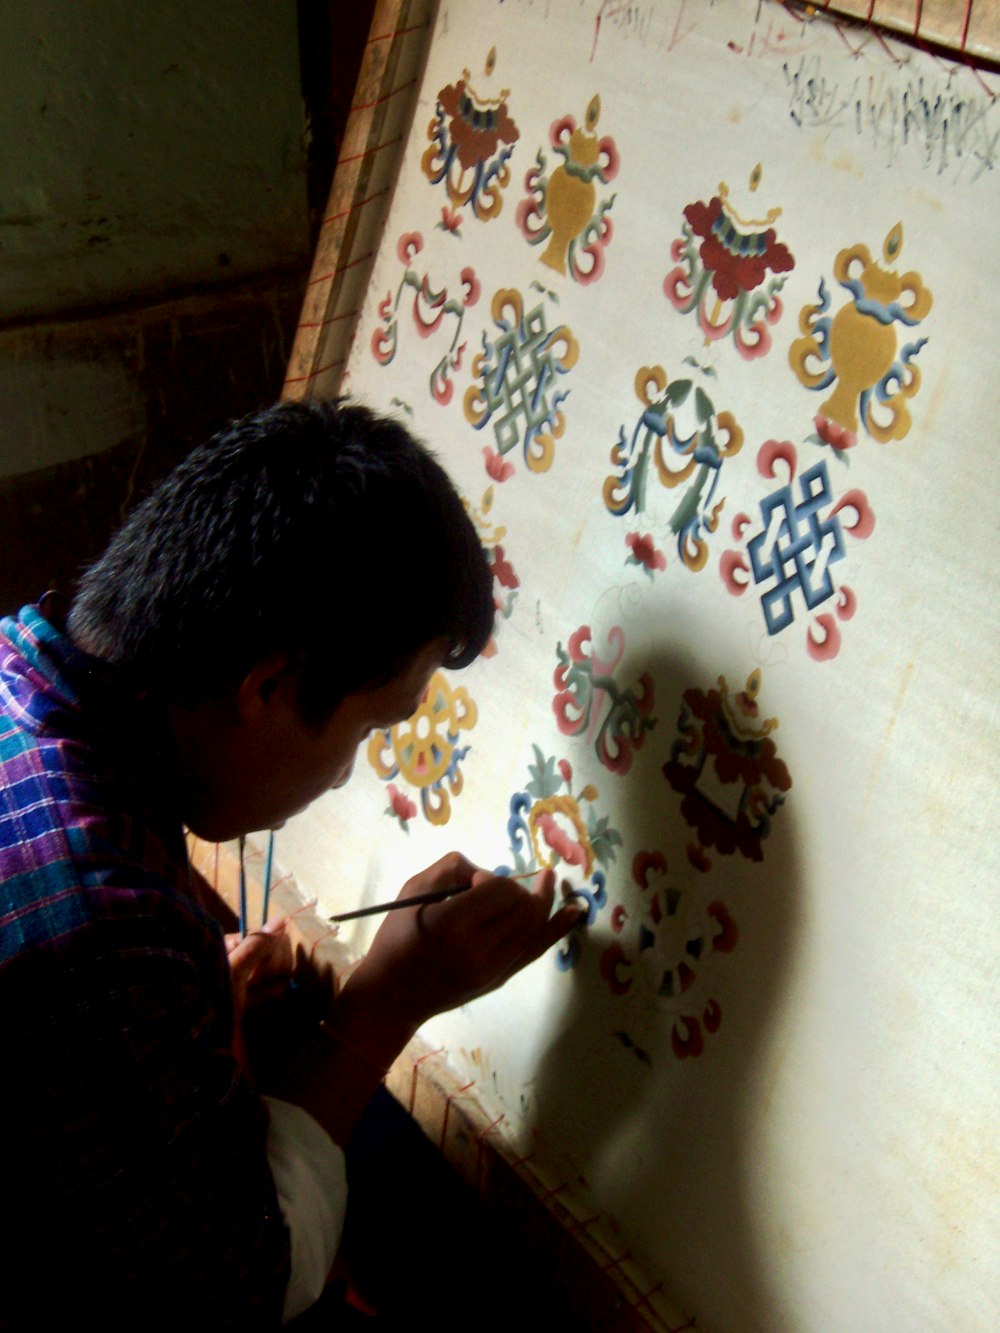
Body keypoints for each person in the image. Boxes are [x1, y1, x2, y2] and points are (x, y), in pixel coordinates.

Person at [0, 399, 582, 1329]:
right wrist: (385, 998)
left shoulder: (17, 671)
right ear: (268, 688)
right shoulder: (101, 931)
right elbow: (238, 1292)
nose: (350, 769)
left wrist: (167, 1013)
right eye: (371, 723)